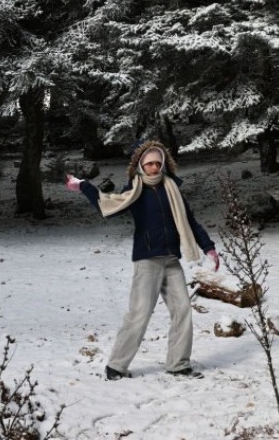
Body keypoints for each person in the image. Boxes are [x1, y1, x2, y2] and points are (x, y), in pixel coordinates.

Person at [65, 140, 219, 381]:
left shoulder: (173, 191)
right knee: (139, 314)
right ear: (141, 166)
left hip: (171, 259)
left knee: (182, 310)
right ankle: (116, 366)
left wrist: (208, 248)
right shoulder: (135, 192)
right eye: (149, 164)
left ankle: (178, 364)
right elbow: (107, 204)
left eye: (158, 163)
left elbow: (190, 222)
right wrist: (84, 186)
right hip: (147, 260)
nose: (154, 168)